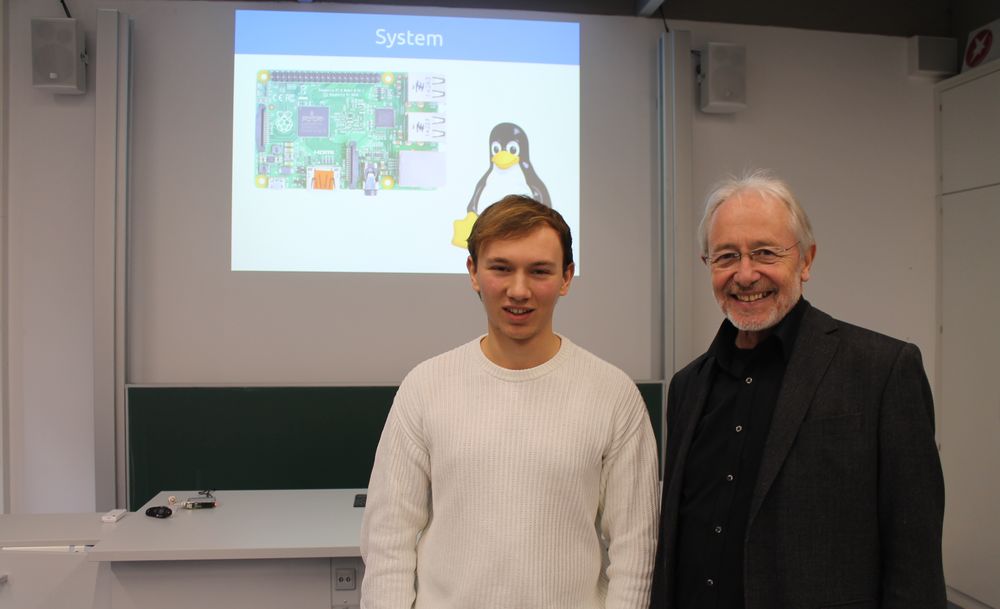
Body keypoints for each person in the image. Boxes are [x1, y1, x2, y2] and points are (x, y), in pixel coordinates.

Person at [650, 171, 946, 609]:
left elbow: (915, 560)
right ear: (707, 265)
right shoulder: (687, 387)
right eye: (727, 256)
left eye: (765, 253)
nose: (745, 275)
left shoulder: (882, 371)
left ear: (805, 261)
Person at [361, 195, 660, 609]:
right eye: (501, 268)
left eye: (539, 271)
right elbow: (387, 541)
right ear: (473, 273)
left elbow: (636, 550)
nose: (519, 290)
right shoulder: (425, 387)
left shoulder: (614, 395)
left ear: (567, 277)